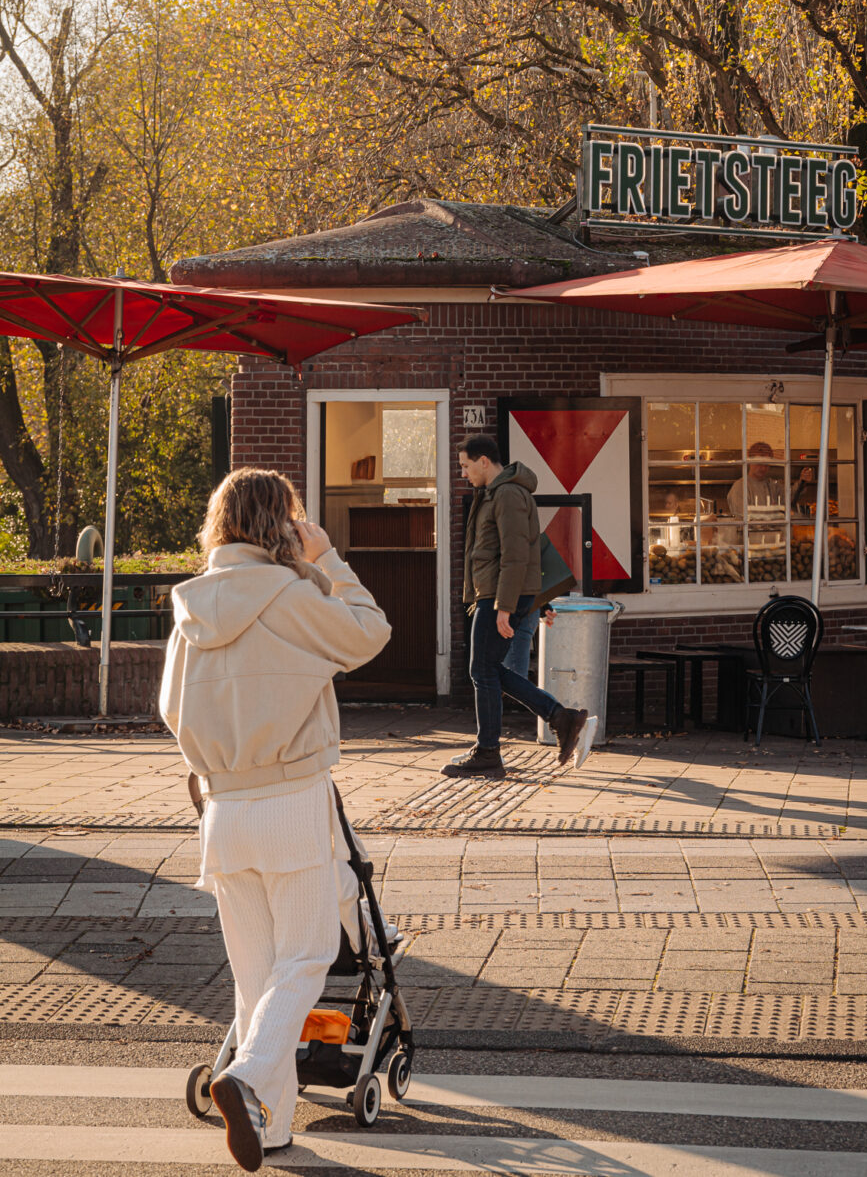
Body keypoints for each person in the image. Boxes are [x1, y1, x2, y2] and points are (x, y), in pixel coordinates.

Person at [159, 468, 391, 1172]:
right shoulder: (290, 594)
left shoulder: (191, 606)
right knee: (310, 955)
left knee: (257, 974)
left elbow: (171, 709)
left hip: (223, 806)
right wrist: (326, 559)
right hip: (291, 798)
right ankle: (249, 1077)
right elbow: (369, 634)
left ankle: (274, 1124)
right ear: (281, 523)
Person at [442, 434, 594, 780]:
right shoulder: (497, 493)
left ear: (484, 461)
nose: (464, 473)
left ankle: (490, 752)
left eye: (466, 465)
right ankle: (559, 719)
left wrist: (504, 606)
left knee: (482, 670)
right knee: (488, 669)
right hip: (499, 593)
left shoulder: (507, 494)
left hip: (500, 594)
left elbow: (515, 555)